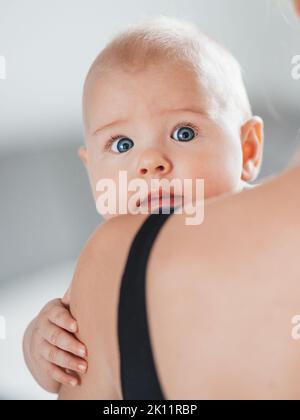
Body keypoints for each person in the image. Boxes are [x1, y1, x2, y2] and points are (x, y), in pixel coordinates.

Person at [23, 10, 298, 397]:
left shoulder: (271, 230)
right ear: (90, 168)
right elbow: (64, 376)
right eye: (122, 144)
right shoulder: (103, 268)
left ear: (248, 148)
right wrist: (40, 344)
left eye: (184, 132)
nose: (150, 162)